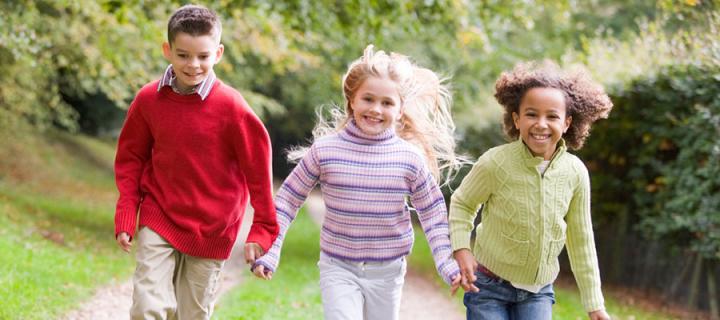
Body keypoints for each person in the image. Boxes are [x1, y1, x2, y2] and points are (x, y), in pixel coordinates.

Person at [250, 45, 463, 320]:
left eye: (387, 103)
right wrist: (271, 250)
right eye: (368, 99)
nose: (376, 109)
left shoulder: (409, 159)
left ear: (400, 111)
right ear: (352, 100)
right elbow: (287, 201)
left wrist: (447, 264)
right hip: (338, 266)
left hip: (388, 270)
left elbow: (433, 215)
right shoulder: (325, 151)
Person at [113, 4, 278, 319]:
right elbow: (131, 158)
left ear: (218, 53)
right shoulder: (148, 100)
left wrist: (263, 227)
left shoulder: (232, 107)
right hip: (159, 215)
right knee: (148, 306)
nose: (193, 65)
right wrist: (126, 212)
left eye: (203, 56)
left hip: (212, 227)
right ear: (168, 50)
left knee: (192, 314)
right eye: (183, 55)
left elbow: (257, 170)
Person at [450, 61, 613, 320]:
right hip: (488, 286)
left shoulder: (575, 173)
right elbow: (462, 203)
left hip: (538, 292)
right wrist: (462, 249)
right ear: (516, 118)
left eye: (552, 116)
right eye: (531, 114)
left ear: (567, 123)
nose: (541, 124)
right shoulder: (496, 162)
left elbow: (581, 240)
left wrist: (595, 305)